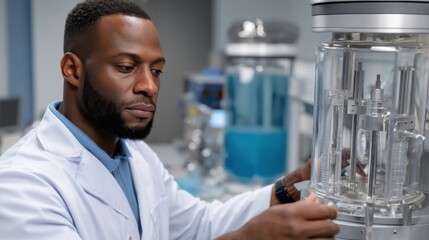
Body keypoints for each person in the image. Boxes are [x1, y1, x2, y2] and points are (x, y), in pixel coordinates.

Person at [0, 0, 339, 239]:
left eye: (157, 70)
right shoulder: (22, 184)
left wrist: (288, 187)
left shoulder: (137, 157)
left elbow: (201, 225)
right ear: (73, 69)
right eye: (126, 67)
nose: (149, 86)